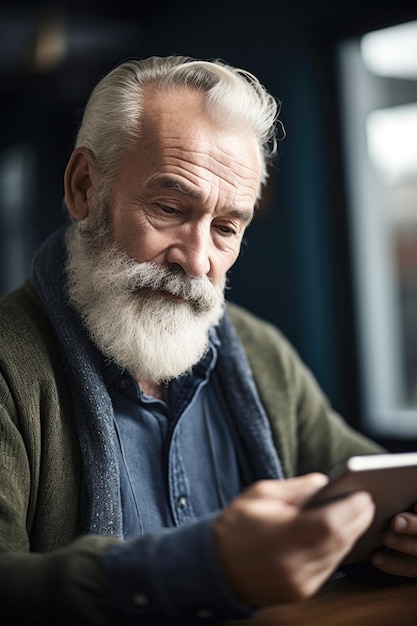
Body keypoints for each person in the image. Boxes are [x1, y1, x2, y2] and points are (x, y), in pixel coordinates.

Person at [0, 54, 416, 625]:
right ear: (83, 188)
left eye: (225, 228)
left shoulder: (260, 351)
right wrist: (203, 567)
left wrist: (402, 532)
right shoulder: (8, 364)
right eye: (170, 208)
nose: (198, 262)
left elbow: (371, 484)